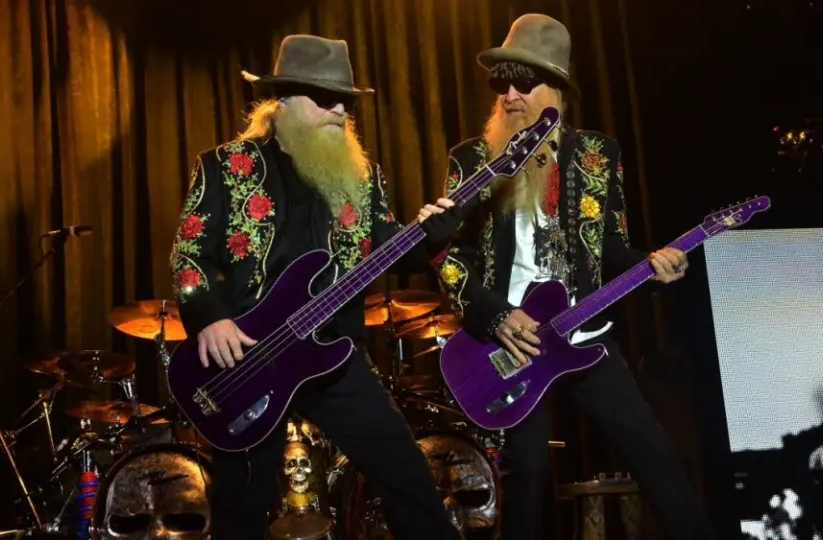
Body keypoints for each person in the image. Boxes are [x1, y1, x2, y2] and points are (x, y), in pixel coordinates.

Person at [429, 13, 716, 540]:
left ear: (556, 87)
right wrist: (495, 318)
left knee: (654, 456)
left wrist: (651, 266)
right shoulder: (472, 160)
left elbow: (607, 245)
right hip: (515, 344)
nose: (509, 95)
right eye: (501, 83)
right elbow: (448, 259)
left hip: (587, 336)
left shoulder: (597, 155)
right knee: (529, 473)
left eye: (524, 82)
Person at [169, 34, 463, 540]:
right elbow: (187, 253)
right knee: (242, 501)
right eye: (325, 98)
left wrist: (433, 236)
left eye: (346, 101)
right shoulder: (223, 166)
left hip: (335, 353)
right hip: (249, 360)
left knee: (408, 474)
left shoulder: (363, 175)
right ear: (281, 99)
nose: (339, 111)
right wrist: (209, 318)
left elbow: (389, 249)